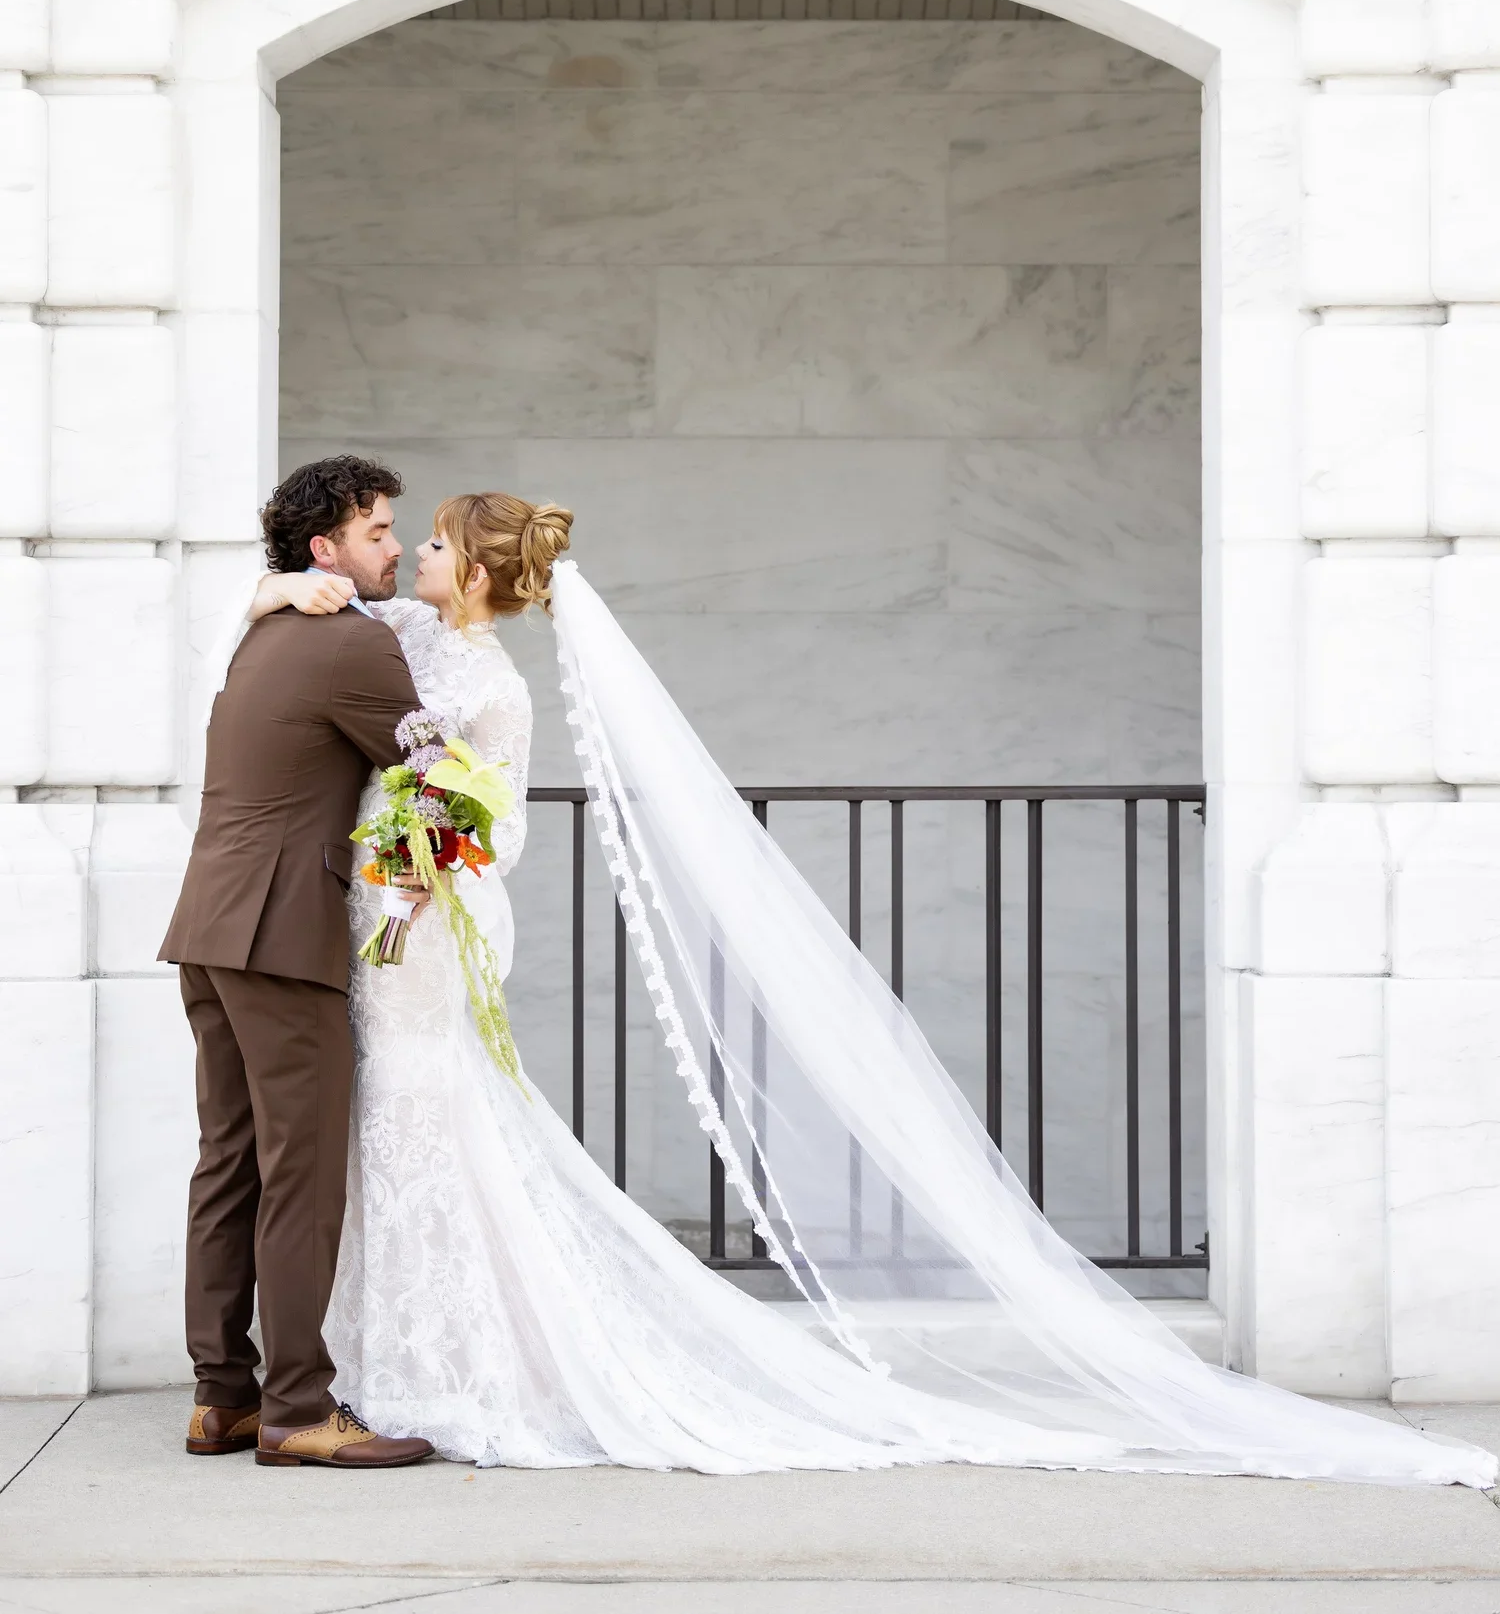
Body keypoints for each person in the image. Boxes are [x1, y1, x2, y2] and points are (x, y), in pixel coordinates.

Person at [248, 490, 1497, 1488]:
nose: (411, 551)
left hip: (434, 917)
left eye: (437, 543)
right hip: (373, 915)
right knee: (387, 1126)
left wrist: (431, 851)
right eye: (405, 538)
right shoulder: (403, 635)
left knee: (422, 1116)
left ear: (478, 572)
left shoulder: (499, 686)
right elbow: (296, 611)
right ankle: (380, 1351)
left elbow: (502, 825)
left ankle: (447, 1361)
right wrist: (285, 584)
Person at [161, 456, 434, 1470]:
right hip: (281, 932)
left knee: (229, 1161)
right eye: (377, 530)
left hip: (208, 921)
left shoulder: (261, 629)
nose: (395, 545)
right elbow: (429, 772)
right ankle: (299, 1408)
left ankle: (218, 1398)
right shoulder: (350, 643)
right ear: (325, 549)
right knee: (301, 1173)